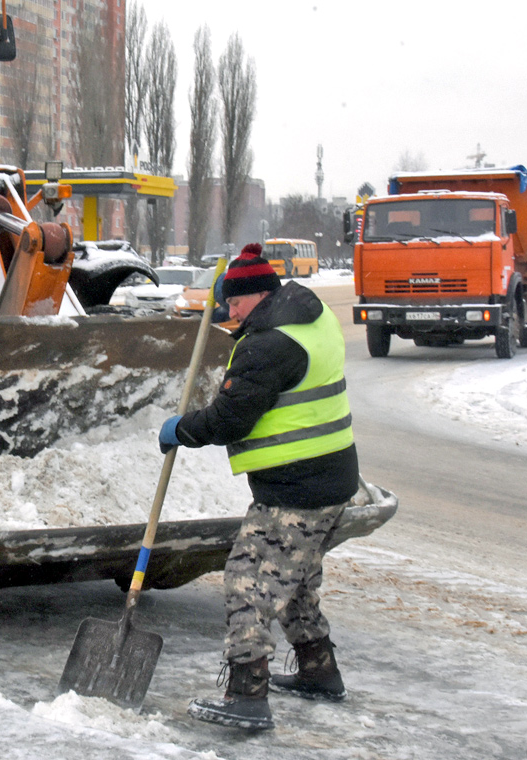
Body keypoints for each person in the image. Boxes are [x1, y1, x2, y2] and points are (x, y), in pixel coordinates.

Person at [158, 243, 361, 731]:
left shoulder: (268, 345)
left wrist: (182, 429)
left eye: (234, 302)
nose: (229, 312)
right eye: (224, 303)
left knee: (247, 578)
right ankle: (319, 671)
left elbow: (231, 420)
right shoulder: (312, 319)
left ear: (255, 296)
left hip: (297, 488)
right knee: (295, 579)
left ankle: (246, 693)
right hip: (330, 478)